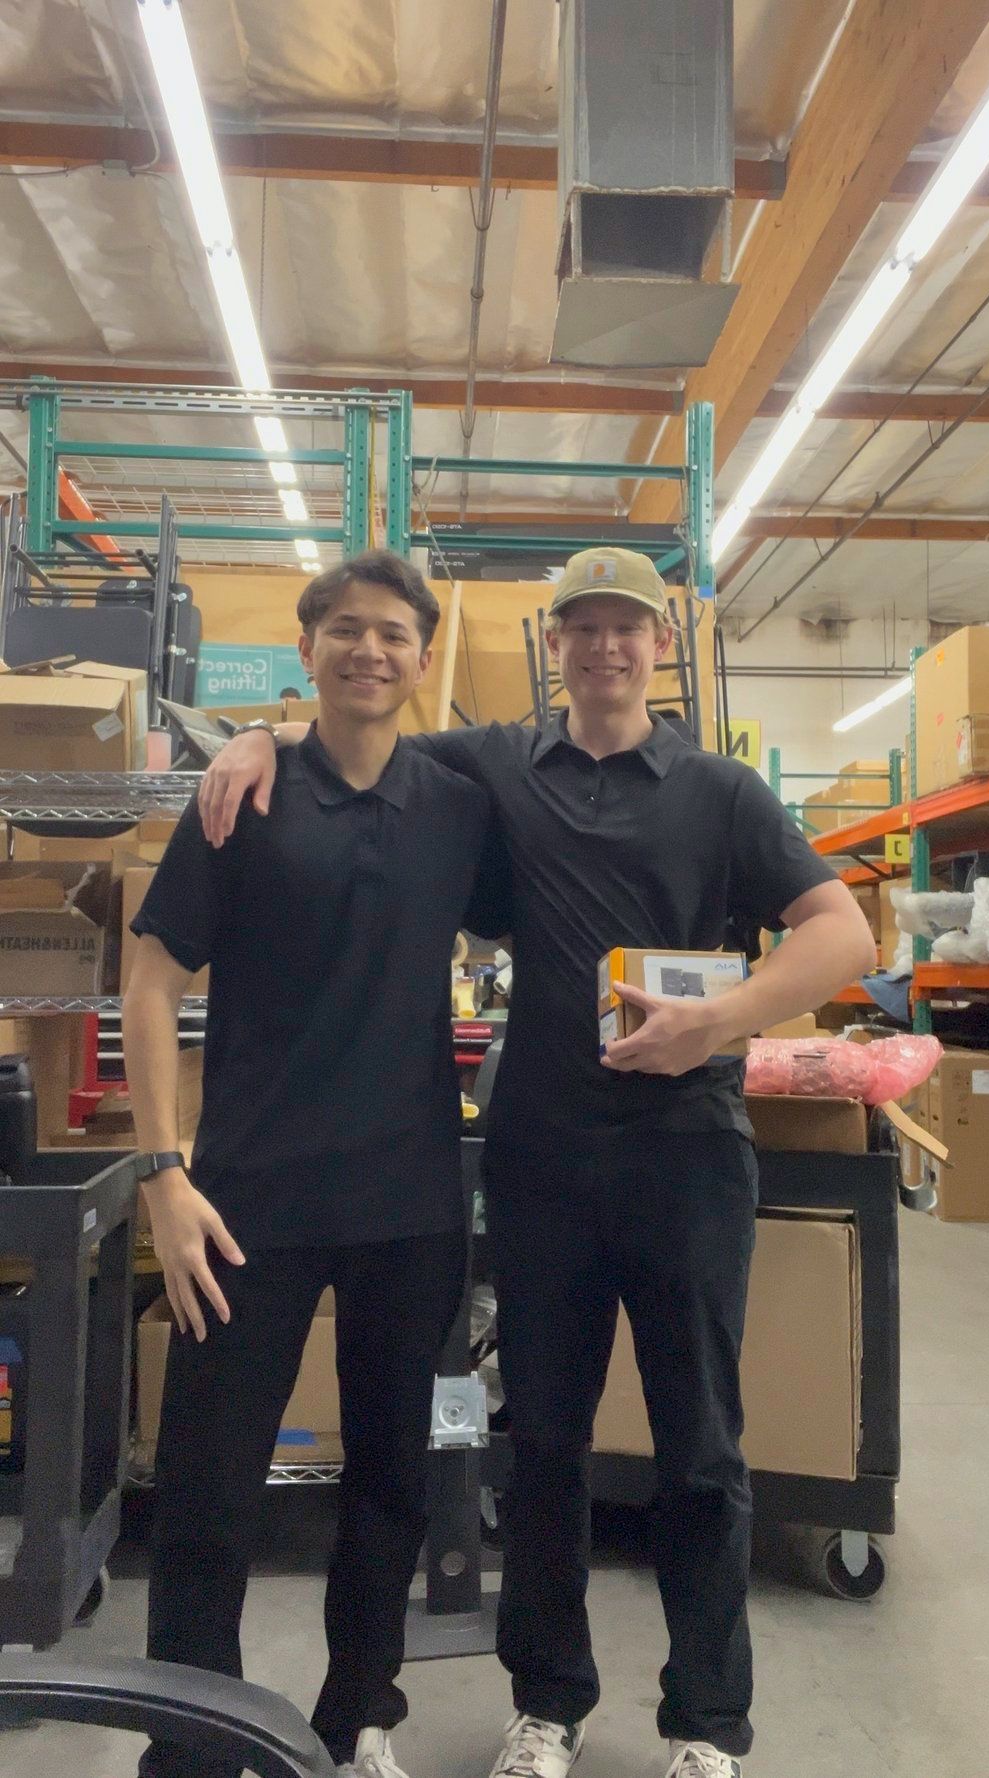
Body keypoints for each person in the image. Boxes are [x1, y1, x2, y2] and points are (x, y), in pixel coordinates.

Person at [199, 547, 876, 1778]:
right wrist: (262, 733)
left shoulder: (721, 791)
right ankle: (548, 1705)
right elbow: (364, 720)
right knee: (547, 1441)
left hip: (687, 1157)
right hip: (544, 1156)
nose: (605, 648)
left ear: (660, 645)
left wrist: (720, 1022)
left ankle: (707, 1722)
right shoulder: (497, 763)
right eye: (582, 628)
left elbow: (843, 929)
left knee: (703, 1447)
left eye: (628, 628)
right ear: (549, 644)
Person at [122, 549, 501, 1778]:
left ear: (420, 655)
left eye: (392, 633)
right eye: (344, 630)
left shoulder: (453, 800)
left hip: (407, 1203)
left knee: (392, 1483)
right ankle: (193, 1745)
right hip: (247, 1205)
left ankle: (357, 1720)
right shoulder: (247, 793)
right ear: (308, 649)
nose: (369, 651)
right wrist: (160, 1172)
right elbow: (149, 972)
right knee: (206, 1495)